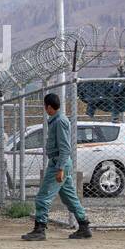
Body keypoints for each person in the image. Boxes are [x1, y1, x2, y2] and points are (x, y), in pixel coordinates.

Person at [23, 93, 91, 241]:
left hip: (59, 163)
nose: (45, 109)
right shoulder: (56, 120)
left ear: (48, 106)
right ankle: (84, 226)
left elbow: (65, 148)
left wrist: (60, 168)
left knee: (43, 197)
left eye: (45, 106)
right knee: (69, 198)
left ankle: (40, 229)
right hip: (59, 162)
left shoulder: (59, 121)